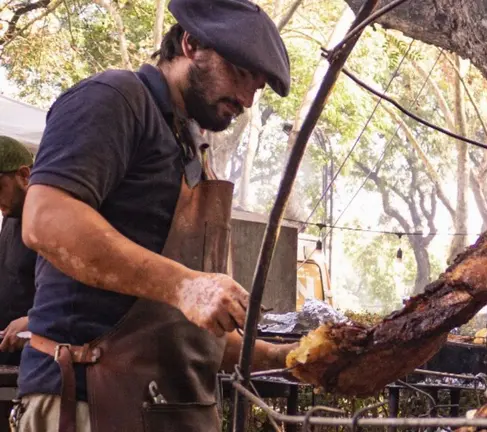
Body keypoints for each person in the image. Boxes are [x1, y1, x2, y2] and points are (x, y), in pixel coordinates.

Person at [14, 1, 294, 431]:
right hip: (91, 401)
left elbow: (190, 332)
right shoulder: (114, 99)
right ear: (191, 43)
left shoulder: (191, 146)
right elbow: (46, 219)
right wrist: (184, 285)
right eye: (239, 74)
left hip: (171, 410)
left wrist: (285, 358)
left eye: (256, 88)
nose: (246, 99)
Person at [0, 136, 37, 432]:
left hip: (38, 362)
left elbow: (75, 288)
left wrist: (33, 320)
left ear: (24, 175)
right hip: (6, 355)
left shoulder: (49, 219)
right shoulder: (10, 217)